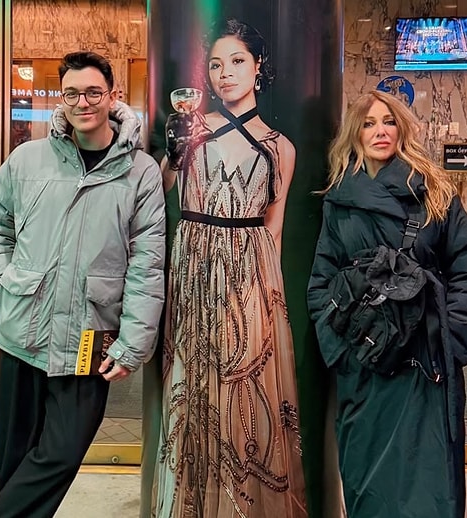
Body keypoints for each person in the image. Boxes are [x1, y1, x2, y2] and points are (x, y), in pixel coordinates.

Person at [0, 51, 165, 518]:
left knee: (62, 450)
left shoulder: (140, 171)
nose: (83, 102)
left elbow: (147, 264)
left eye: (93, 92)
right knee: (15, 458)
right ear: (62, 99)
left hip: (90, 335)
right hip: (23, 330)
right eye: (71, 93)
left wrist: (133, 343)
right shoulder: (28, 159)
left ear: (113, 95)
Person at [307, 90, 467, 518]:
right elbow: (321, 284)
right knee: (368, 485)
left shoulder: (433, 191)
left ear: (401, 130)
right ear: (355, 134)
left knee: (427, 488)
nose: (380, 131)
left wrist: (450, 343)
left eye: (388, 121)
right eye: (369, 123)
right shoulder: (339, 201)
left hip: (424, 369)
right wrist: (344, 355)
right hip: (366, 367)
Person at [152, 18, 307, 518]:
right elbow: (161, 190)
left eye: (237, 61)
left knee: (244, 390)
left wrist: (267, 303)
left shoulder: (281, 147)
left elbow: (274, 230)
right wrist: (173, 152)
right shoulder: (191, 129)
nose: (226, 73)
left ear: (259, 67)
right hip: (193, 271)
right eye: (216, 64)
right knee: (192, 387)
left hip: (249, 279)